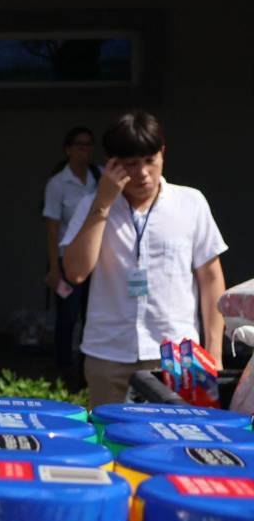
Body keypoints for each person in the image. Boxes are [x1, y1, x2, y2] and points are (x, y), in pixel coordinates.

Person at [62, 110, 228, 409]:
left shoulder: (190, 202)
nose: (142, 173)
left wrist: (214, 352)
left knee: (177, 443)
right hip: (109, 353)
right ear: (112, 164)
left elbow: (211, 278)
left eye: (150, 161)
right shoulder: (93, 204)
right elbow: (75, 272)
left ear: (163, 154)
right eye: (130, 164)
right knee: (111, 441)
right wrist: (103, 202)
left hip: (177, 354)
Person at [42, 126, 99, 387]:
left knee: (94, 315)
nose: (84, 150)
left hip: (97, 259)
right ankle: (65, 371)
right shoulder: (58, 183)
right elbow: (52, 228)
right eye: (79, 145)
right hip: (68, 260)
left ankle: (88, 370)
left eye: (88, 145)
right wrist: (54, 267)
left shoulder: (99, 175)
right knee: (68, 316)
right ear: (68, 149)